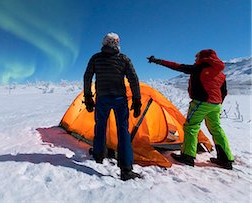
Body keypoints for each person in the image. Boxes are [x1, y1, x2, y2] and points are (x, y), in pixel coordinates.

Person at [148, 49, 234, 169]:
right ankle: (226, 158)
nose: (195, 59)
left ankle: (188, 156)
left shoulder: (198, 68)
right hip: (216, 105)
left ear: (204, 57)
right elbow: (223, 91)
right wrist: (217, 102)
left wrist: (158, 61)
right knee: (216, 129)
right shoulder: (221, 74)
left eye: (197, 56)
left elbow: (177, 66)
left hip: (201, 103)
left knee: (191, 127)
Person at [83, 32, 142, 181]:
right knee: (123, 130)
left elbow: (87, 77)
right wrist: (136, 99)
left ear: (104, 43)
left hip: (102, 98)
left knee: (100, 126)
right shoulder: (123, 59)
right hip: (120, 99)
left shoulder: (96, 58)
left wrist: (88, 97)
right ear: (116, 43)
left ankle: (98, 154)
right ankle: (126, 169)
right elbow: (133, 79)